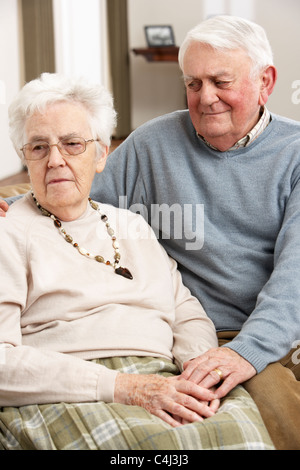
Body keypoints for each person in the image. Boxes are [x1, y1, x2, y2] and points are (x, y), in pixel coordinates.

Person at [0, 73, 274, 450]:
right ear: (25, 158)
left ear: (101, 156)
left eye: (72, 144)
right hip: (72, 387)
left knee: (239, 436)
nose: (56, 160)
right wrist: (126, 388)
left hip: (169, 377)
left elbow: (186, 312)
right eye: (39, 148)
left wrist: (198, 373)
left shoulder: (131, 224)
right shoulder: (8, 233)